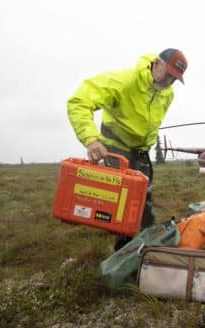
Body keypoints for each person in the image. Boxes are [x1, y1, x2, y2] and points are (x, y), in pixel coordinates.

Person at [67, 48, 187, 249]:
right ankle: (123, 254)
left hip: (141, 153)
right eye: (168, 75)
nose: (169, 83)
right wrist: (91, 139)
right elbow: (79, 102)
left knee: (143, 203)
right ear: (156, 64)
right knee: (123, 208)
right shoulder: (122, 81)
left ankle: (146, 249)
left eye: (175, 79)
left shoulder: (167, 93)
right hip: (116, 148)